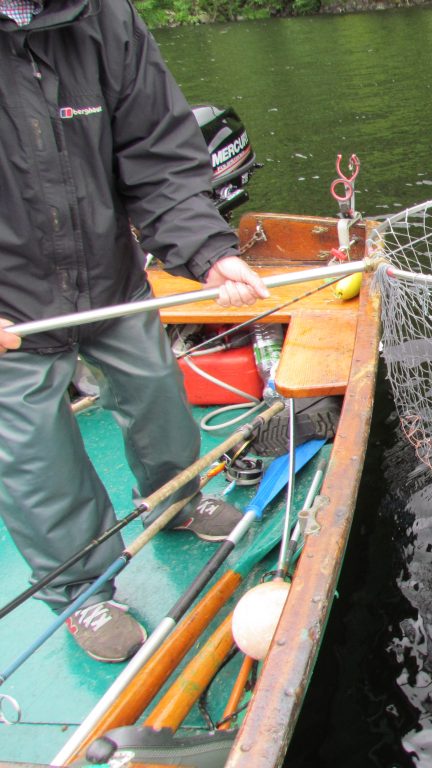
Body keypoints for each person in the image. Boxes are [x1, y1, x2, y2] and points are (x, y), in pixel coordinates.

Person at [0, 0, 270, 663]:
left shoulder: (104, 18)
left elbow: (159, 151)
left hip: (110, 278)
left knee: (156, 393)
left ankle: (177, 501)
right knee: (38, 461)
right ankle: (80, 590)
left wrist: (208, 250)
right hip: (10, 306)